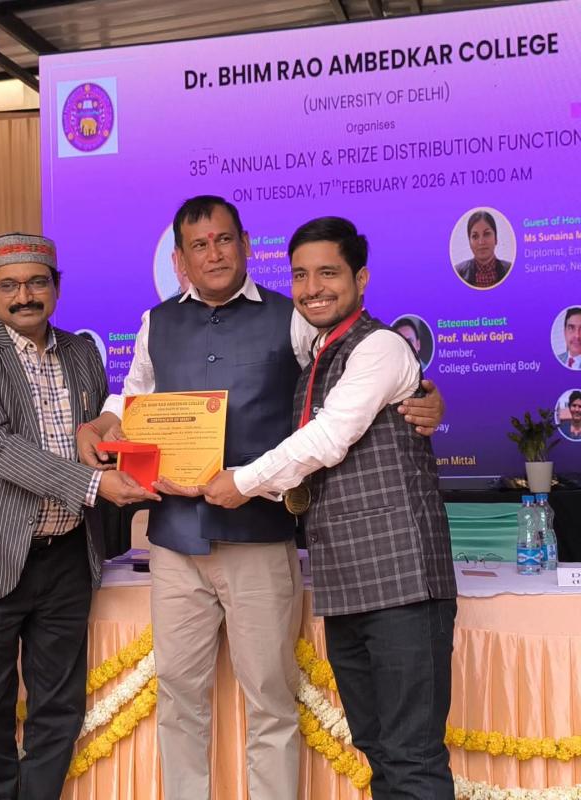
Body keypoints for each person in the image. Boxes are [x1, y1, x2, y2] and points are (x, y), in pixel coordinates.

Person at [76, 196, 444, 800]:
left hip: (260, 536)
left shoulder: (293, 316)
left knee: (271, 698)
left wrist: (424, 391)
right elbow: (136, 396)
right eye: (199, 245)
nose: (214, 254)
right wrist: (102, 421)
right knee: (179, 696)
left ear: (246, 245)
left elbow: (349, 374)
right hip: (174, 539)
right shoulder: (155, 322)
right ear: (179, 259)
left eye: (224, 240)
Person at [204, 216, 457, 800]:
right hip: (347, 584)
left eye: (328, 273)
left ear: (360, 279)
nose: (312, 288)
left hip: (403, 583)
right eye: (299, 275)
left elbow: (328, 438)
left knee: (412, 757)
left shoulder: (381, 347)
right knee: (377, 748)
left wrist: (244, 481)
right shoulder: (317, 350)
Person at [0, 233, 158, 800]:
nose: (24, 296)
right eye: (9, 285)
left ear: (56, 286)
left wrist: (121, 451)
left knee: (58, 709)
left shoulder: (82, 352)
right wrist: (94, 484)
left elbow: (96, 434)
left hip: (66, 560)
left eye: (36, 282)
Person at [454, 210, 512, 288]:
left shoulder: (510, 270)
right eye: (475, 236)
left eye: (487, 234)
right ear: (469, 242)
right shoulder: (457, 272)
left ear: (496, 239)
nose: (481, 242)